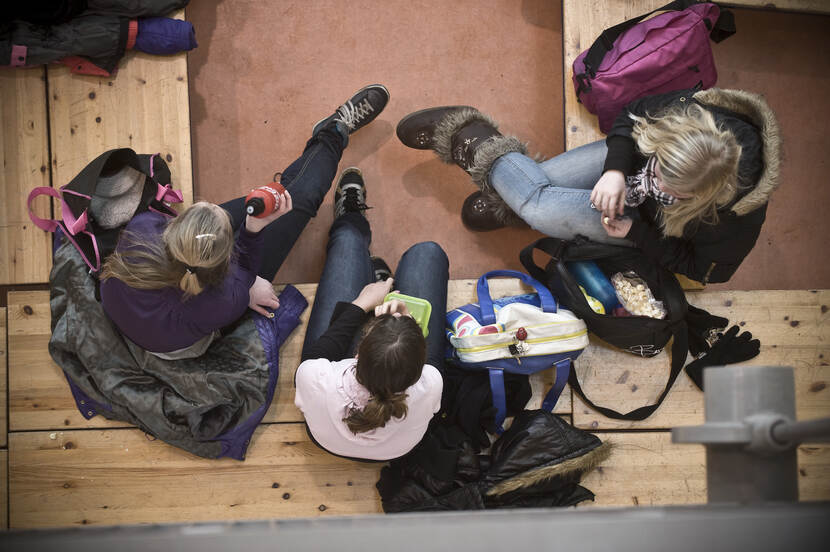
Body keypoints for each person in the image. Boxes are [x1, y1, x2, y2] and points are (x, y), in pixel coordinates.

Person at [100, 84, 391, 359]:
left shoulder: (142, 228)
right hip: (180, 343)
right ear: (228, 254)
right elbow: (238, 279)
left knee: (290, 195)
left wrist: (242, 281)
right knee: (298, 199)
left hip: (154, 313)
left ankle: (330, 137)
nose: (215, 205)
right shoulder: (225, 297)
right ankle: (333, 133)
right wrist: (252, 236)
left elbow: (216, 282)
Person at [396, 87, 780, 284]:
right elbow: (633, 118)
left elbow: (707, 270)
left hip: (641, 227)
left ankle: (472, 139)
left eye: (672, 188)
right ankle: (507, 198)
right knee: (541, 187)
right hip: (624, 165)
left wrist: (638, 231)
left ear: (704, 197)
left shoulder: (735, 220)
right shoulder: (690, 117)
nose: (655, 179)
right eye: (658, 166)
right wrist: (616, 171)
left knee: (538, 203)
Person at [295, 167, 447, 461]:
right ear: (419, 367)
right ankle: (381, 277)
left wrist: (362, 303)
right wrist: (410, 327)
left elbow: (318, 355)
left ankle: (352, 223)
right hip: (397, 449)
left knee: (349, 243)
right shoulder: (431, 385)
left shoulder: (318, 377)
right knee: (428, 253)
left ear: (356, 352)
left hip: (327, 437)